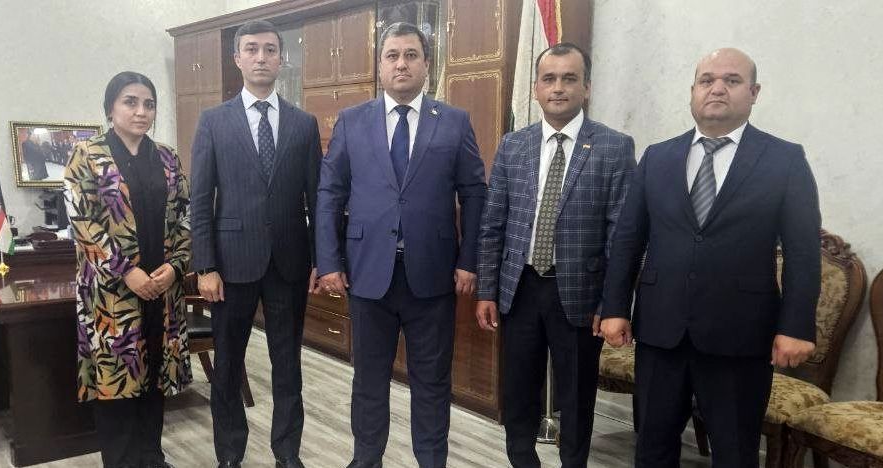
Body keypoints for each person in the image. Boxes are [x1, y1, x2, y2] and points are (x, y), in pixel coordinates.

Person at [600, 48, 821, 468]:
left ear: (753, 92)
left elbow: (803, 252)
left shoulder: (784, 160)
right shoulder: (658, 157)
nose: (717, 88)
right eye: (707, 80)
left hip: (739, 335)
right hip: (661, 332)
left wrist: (796, 326)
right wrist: (614, 308)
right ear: (693, 91)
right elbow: (628, 238)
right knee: (652, 448)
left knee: (735, 452)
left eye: (732, 80)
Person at [316, 22, 486, 468]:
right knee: (368, 381)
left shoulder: (454, 121)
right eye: (392, 55)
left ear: (427, 64)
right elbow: (330, 192)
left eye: (411, 55)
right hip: (367, 274)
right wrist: (329, 261)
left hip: (432, 276)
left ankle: (432, 461)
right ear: (380, 65)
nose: (401, 64)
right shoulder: (352, 121)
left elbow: (474, 193)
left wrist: (470, 260)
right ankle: (366, 459)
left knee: (431, 383)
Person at [476, 43, 636, 468]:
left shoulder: (614, 147)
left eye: (569, 78)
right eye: (549, 79)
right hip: (520, 289)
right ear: (535, 89)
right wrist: (486, 290)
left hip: (581, 296)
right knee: (518, 392)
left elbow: (621, 236)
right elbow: (493, 224)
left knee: (577, 397)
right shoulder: (513, 145)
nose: (558, 87)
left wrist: (612, 303)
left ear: (587, 87)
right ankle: (522, 461)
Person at [190, 19, 322, 468]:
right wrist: (205, 266)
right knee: (228, 366)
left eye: (269, 49)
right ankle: (230, 454)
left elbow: (317, 198)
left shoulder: (304, 124)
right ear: (237, 59)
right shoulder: (213, 122)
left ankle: (287, 454)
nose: (261, 57)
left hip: (289, 264)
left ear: (281, 59)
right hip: (230, 266)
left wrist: (320, 259)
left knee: (288, 367)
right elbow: (200, 200)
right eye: (251, 49)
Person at [64, 71, 192, 468]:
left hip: (162, 290)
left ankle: (152, 458)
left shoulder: (168, 157)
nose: (141, 111)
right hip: (112, 296)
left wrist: (175, 267)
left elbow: (185, 218)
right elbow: (83, 224)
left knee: (154, 376)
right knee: (117, 381)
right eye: (130, 102)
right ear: (110, 109)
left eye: (149, 104)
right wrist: (127, 272)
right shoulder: (87, 155)